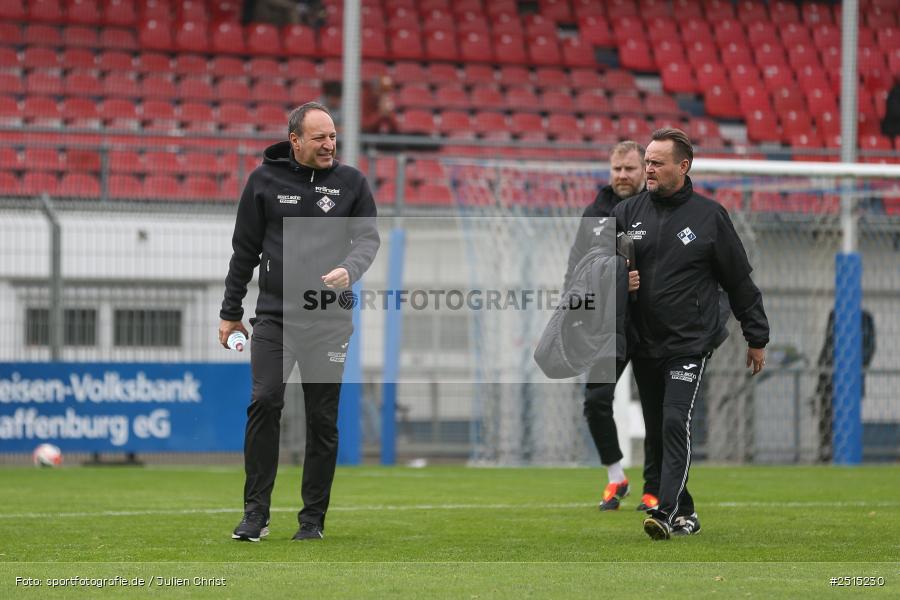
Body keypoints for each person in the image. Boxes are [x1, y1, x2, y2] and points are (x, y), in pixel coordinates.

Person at [219, 102, 380, 542]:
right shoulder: (263, 181)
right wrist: (230, 312)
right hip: (276, 319)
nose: (330, 145)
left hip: (329, 323)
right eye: (320, 137)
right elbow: (244, 252)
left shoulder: (352, 184)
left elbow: (367, 240)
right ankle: (256, 514)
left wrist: (350, 268)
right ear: (295, 140)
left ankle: (312, 520)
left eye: (333, 137)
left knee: (322, 419)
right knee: (265, 400)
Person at [611, 128, 770, 540]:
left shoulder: (709, 217)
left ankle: (664, 512)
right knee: (658, 429)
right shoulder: (627, 213)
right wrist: (618, 279)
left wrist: (756, 336)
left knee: (674, 420)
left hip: (688, 343)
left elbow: (739, 281)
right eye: (647, 161)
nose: (648, 169)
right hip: (643, 341)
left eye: (656, 163)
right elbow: (598, 269)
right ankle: (686, 512)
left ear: (682, 166)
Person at [563, 140, 653, 512]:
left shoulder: (657, 208)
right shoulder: (595, 213)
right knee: (596, 401)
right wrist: (573, 314)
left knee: (657, 409)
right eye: (617, 169)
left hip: (652, 325)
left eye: (630, 168)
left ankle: (655, 488)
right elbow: (576, 270)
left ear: (644, 170)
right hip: (607, 328)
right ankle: (616, 477)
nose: (622, 175)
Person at [813, 308, 876, 463]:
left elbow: (869, 348)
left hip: (848, 378)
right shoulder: (834, 315)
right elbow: (828, 345)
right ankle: (826, 452)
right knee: (827, 416)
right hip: (830, 377)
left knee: (845, 416)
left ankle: (841, 451)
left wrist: (856, 368)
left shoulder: (864, 318)